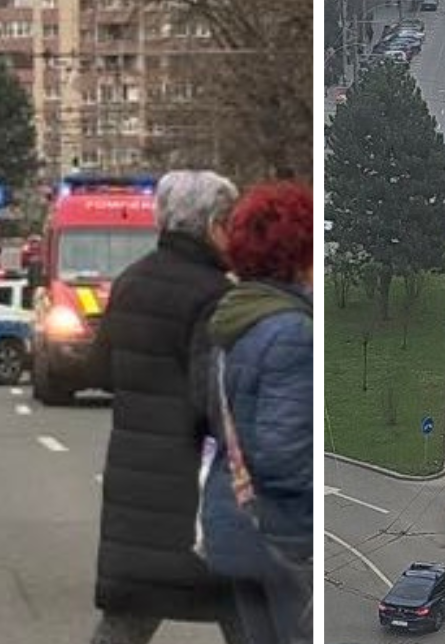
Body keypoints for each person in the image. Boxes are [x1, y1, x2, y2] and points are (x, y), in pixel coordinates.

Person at [89, 170, 246, 644]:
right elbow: (212, 402)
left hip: (136, 490)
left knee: (129, 617)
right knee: (249, 610)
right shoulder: (215, 296)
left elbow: (98, 371)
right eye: (229, 222)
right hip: (196, 496)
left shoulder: (130, 283)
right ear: (211, 225)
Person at [200, 180, 314, 643]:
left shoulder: (234, 319)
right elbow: (284, 458)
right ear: (297, 254)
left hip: (234, 524)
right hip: (281, 540)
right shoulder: (289, 331)